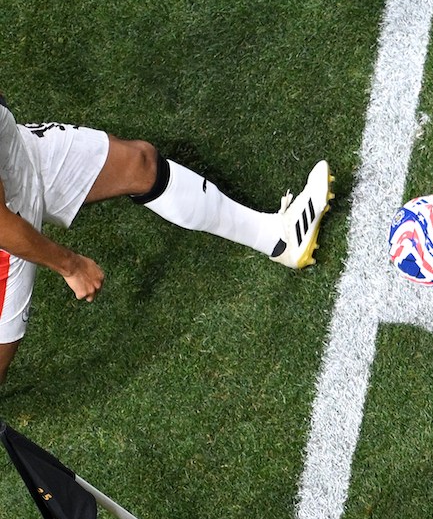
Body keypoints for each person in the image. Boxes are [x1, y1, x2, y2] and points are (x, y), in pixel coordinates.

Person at [0, 93, 333, 383]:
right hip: (6, 222)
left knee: (137, 164)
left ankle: (277, 238)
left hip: (13, 152)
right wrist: (70, 266)